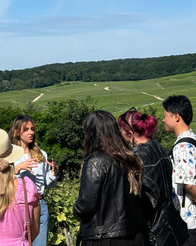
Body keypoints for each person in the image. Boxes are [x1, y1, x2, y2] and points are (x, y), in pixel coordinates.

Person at [74, 110, 147, 245]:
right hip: (135, 234)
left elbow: (86, 205)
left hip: (104, 236)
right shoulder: (130, 158)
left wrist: (76, 211)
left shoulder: (95, 162)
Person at [117, 108, 175, 228]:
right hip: (168, 217)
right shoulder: (158, 147)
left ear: (130, 134)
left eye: (121, 131)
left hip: (152, 224)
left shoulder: (137, 156)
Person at [9, 115, 58, 246]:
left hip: (39, 203)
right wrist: (16, 170)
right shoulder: (9, 156)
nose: (31, 132)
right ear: (16, 132)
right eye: (26, 129)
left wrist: (53, 173)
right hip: (16, 206)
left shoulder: (41, 154)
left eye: (32, 129)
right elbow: (2, 183)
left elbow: (46, 184)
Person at [163, 95, 196, 244]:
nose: (163, 120)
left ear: (176, 117)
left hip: (188, 221)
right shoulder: (192, 139)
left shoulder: (182, 147)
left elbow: (189, 185)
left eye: (165, 115)